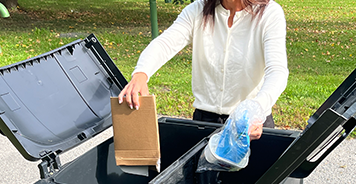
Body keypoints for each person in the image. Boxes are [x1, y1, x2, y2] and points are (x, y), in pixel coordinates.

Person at [117, 0, 288, 140]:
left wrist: (256, 109)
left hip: (250, 126)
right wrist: (141, 74)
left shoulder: (269, 14)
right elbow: (165, 43)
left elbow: (277, 71)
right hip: (204, 123)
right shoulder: (198, 10)